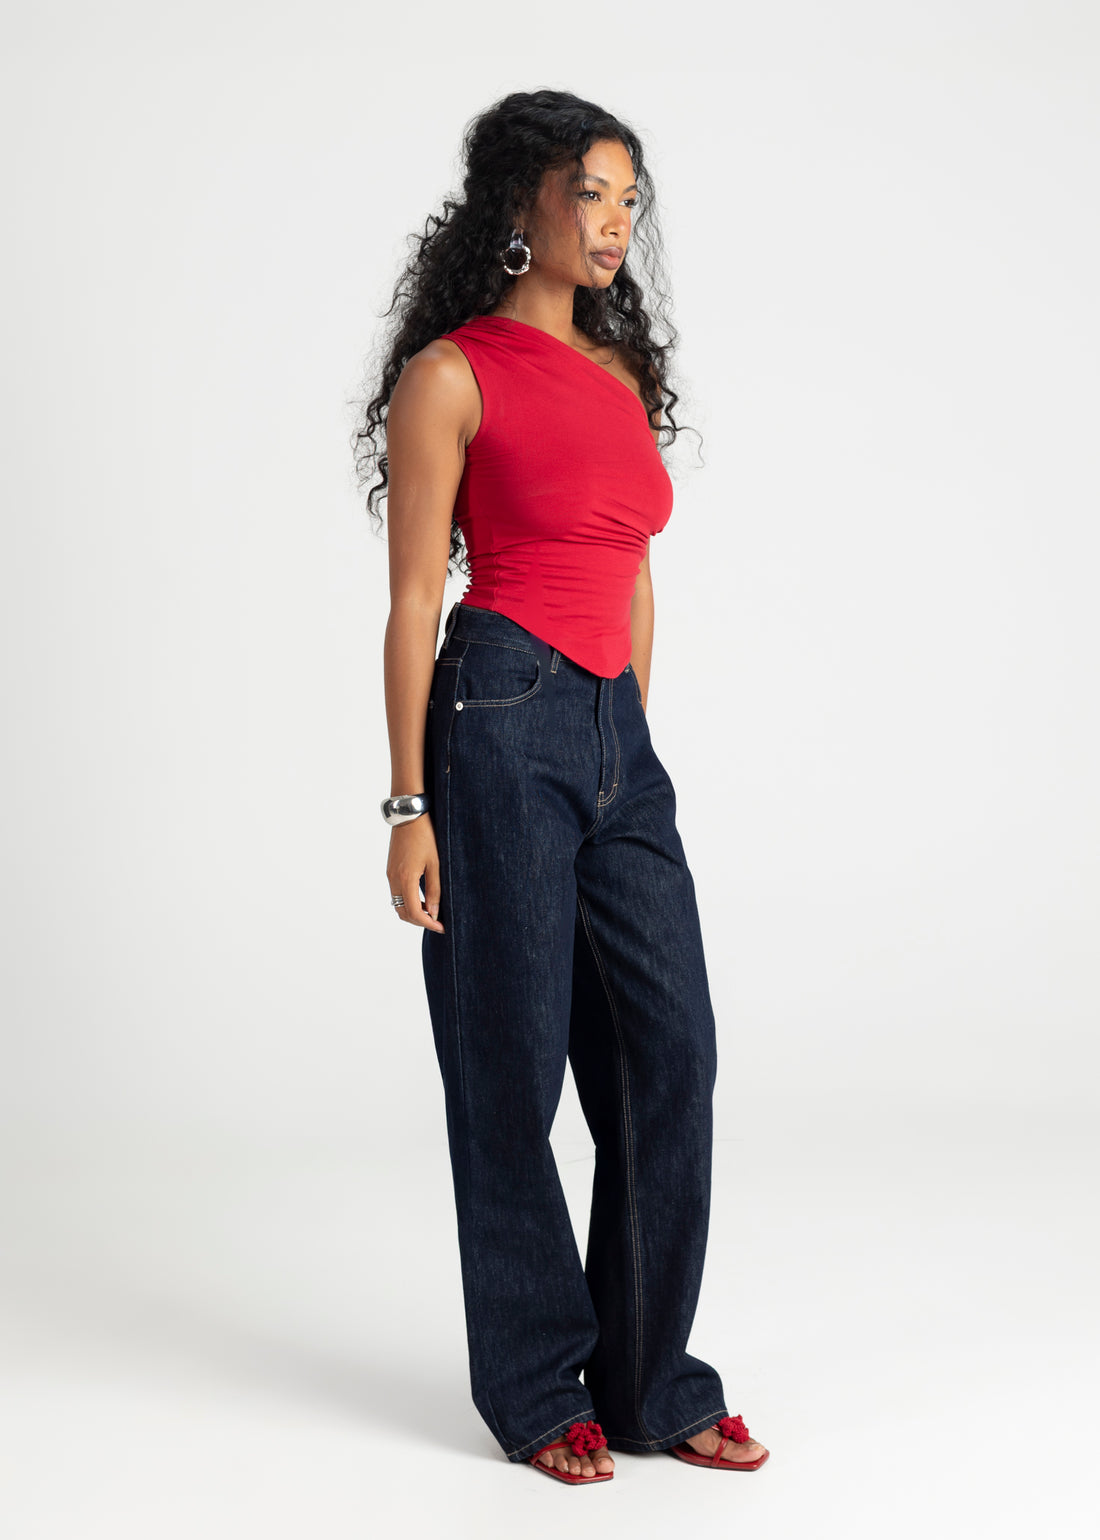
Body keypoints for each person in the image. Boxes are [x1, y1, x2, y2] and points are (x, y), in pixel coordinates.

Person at [354, 88, 770, 1485]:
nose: (613, 223)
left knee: (672, 1052)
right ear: (520, 200)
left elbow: (634, 567)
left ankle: (649, 1380)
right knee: (511, 1065)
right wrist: (408, 805)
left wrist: (626, 734)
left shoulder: (618, 376)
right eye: (590, 192)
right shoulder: (451, 376)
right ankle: (538, 1387)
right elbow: (415, 602)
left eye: (629, 199)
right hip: (496, 716)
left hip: (613, 738)